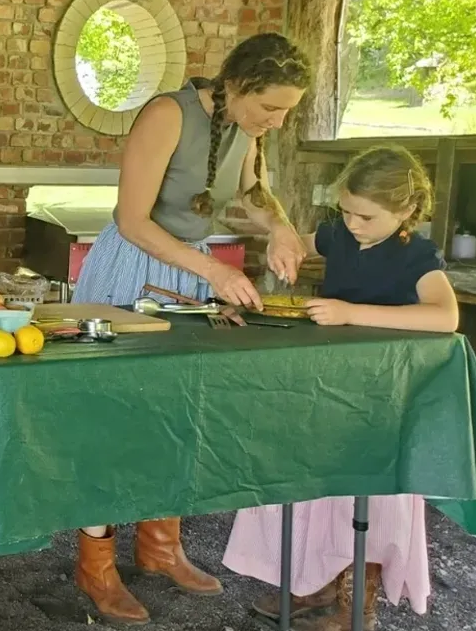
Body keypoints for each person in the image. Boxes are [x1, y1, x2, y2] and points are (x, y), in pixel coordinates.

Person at [70, 33, 312, 625]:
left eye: (287, 110)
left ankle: (158, 546)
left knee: (180, 411)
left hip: (189, 281)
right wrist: (212, 268)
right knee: (114, 418)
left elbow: (252, 191)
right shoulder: (166, 115)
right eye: (271, 108)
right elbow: (131, 220)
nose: (277, 122)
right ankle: (94, 563)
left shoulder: (246, 129)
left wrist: (279, 226)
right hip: (132, 273)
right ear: (236, 85)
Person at [223, 145, 458, 631]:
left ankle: (356, 605)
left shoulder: (417, 254)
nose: (352, 224)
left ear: (408, 209)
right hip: (330, 386)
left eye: (365, 216)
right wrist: (284, 245)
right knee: (319, 484)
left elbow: (445, 316)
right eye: (345, 211)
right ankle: (315, 583)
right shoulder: (341, 235)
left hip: (382, 393)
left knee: (366, 493)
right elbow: (303, 243)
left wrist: (351, 313)